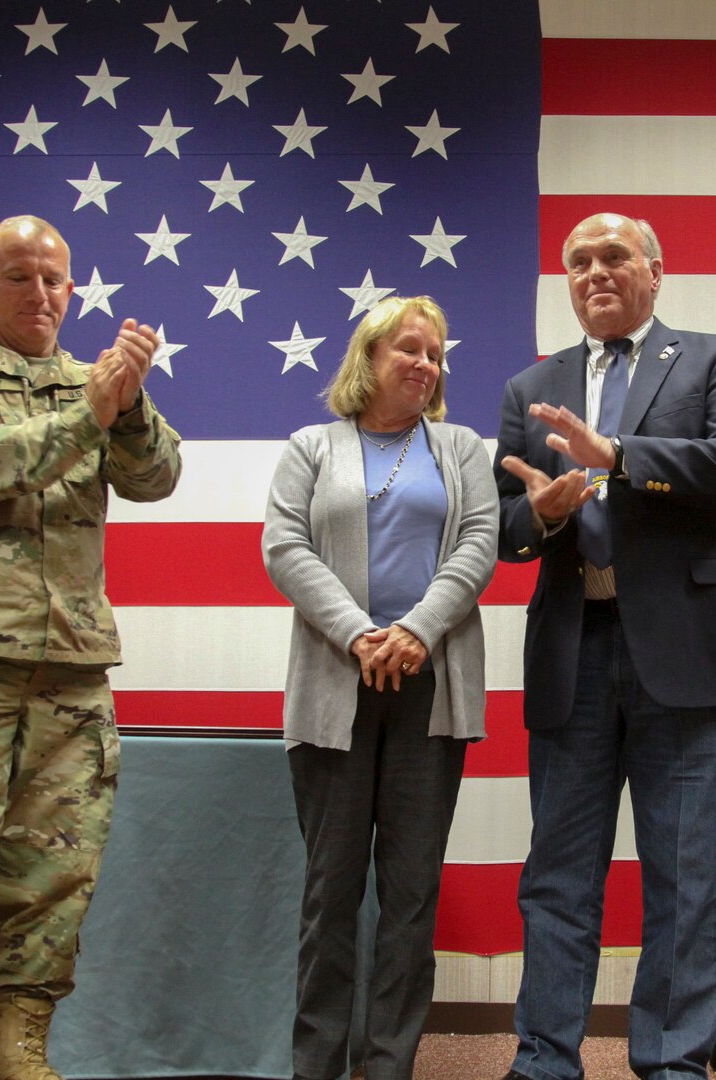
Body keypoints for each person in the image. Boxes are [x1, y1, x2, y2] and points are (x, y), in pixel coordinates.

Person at [0, 215, 181, 1080]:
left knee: (52, 873)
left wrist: (128, 401)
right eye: (19, 277)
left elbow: (157, 478)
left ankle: (19, 1048)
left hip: (71, 671)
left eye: (55, 280)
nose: (41, 294)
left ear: (72, 289)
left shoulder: (94, 382)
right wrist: (91, 413)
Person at [494, 212, 716, 1080]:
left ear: (655, 272)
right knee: (558, 878)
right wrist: (538, 517)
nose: (594, 272)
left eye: (614, 256)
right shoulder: (531, 386)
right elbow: (504, 530)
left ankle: (674, 1064)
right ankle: (545, 1060)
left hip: (689, 660)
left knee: (687, 878)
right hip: (573, 653)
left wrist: (617, 455)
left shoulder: (713, 356)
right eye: (577, 262)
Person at [263, 296, 498, 1080]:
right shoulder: (311, 445)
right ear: (367, 357)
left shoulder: (461, 448)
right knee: (330, 895)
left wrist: (413, 633)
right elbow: (284, 547)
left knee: (409, 896)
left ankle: (389, 1064)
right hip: (335, 688)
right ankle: (317, 1066)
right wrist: (360, 633)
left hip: (431, 690)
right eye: (409, 348)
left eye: (435, 354)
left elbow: (478, 546)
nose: (425, 364)